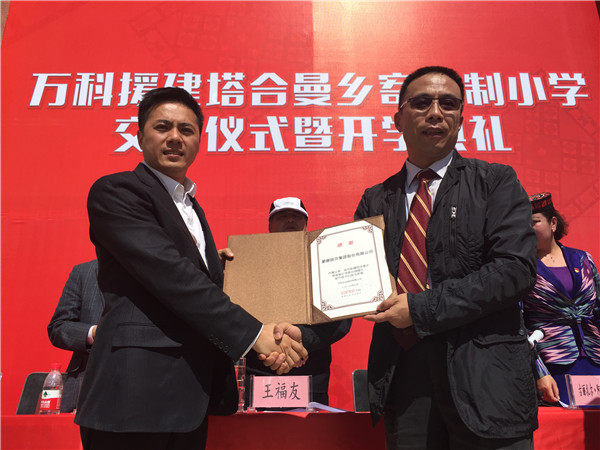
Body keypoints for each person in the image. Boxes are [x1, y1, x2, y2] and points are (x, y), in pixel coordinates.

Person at [74, 87, 307, 450]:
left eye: (186, 130)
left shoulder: (192, 208)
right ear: (139, 136)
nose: (175, 138)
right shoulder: (117, 191)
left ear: (199, 140)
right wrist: (255, 334)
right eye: (162, 127)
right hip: (132, 398)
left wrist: (233, 285)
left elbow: (195, 282)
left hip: (189, 397)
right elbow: (171, 276)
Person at [355, 66, 538, 449]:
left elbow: (514, 271)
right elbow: (354, 286)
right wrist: (303, 333)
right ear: (398, 119)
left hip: (487, 381)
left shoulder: (495, 181)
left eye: (449, 104)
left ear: (461, 119)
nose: (435, 113)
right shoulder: (376, 199)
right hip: (405, 380)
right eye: (422, 102)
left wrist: (420, 308)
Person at [243, 197, 352, 405]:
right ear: (270, 226)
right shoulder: (246, 264)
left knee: (307, 427)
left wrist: (303, 337)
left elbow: (342, 321)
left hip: (311, 377)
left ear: (306, 225)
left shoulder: (326, 264)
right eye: (282, 216)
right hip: (258, 373)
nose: (290, 220)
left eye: (296, 216)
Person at [524, 192, 600, 406]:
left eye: (534, 222)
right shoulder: (521, 268)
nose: (527, 229)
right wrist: (540, 372)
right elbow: (517, 325)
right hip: (552, 365)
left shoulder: (582, 259)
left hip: (594, 357)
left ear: (553, 223)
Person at [47, 260, 104, 413]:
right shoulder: (84, 272)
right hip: (85, 383)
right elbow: (58, 327)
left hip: (141, 384)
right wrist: (93, 332)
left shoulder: (154, 268)